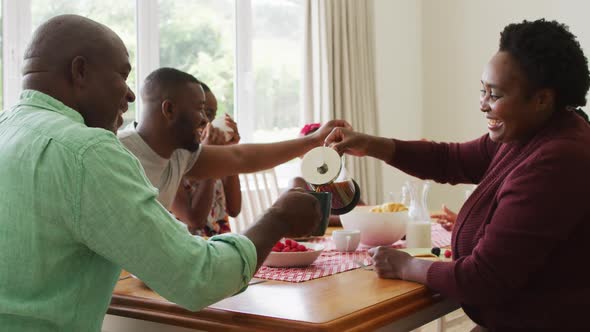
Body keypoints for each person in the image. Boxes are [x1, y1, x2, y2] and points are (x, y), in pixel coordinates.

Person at [0, 15, 325, 331]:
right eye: (122, 75)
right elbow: (197, 278)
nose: (129, 94)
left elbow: (238, 157)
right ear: (80, 71)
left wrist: (310, 142)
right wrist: (278, 218)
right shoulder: (89, 152)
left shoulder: (7, 130)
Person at [325, 19, 590, 330]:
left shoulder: (556, 160)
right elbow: (449, 160)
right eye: (483, 90)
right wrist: (370, 144)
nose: (483, 105)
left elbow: (483, 279)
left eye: (496, 95)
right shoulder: (532, 134)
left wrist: (407, 265)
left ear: (543, 99)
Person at [118, 67, 349, 214]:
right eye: (199, 109)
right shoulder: (119, 151)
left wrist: (316, 139)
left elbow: (241, 157)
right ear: (168, 110)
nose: (204, 120)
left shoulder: (179, 153)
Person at [170, 83, 242, 235]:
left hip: (218, 247)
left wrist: (229, 151)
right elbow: (195, 220)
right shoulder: (171, 159)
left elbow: (234, 208)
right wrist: (208, 155)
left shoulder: (215, 153)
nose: (207, 122)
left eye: (213, 115)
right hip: (190, 250)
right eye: (205, 112)